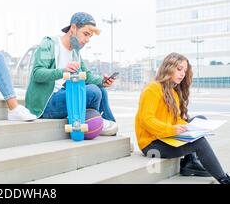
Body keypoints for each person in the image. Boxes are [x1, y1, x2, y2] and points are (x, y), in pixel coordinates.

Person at [135, 52, 229, 184]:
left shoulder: (173, 92)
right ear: (168, 67)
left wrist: (188, 127)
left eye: (184, 70)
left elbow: (175, 119)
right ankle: (224, 179)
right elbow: (146, 120)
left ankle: (190, 162)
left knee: (200, 120)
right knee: (199, 142)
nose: (182, 73)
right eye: (179, 69)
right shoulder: (152, 88)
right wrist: (172, 129)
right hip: (151, 144)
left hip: (165, 137)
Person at [24, 12, 119, 136]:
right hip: (45, 104)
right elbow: (37, 73)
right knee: (93, 92)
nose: (87, 40)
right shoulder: (49, 44)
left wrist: (103, 81)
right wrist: (63, 71)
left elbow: (88, 76)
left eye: (89, 37)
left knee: (100, 89)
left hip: (63, 96)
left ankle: (110, 127)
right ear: (73, 28)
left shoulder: (75, 52)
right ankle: (94, 121)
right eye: (85, 34)